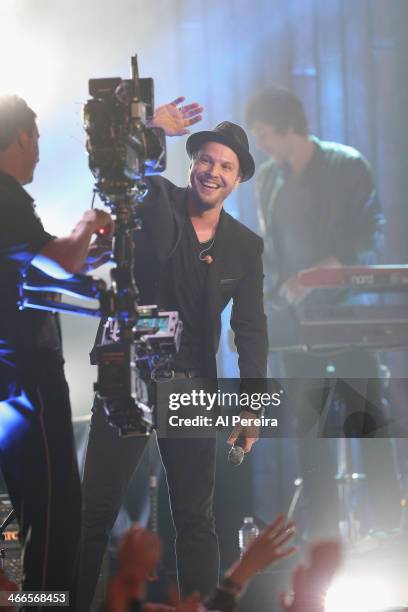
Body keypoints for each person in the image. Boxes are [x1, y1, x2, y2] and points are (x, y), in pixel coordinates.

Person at [78, 99, 268, 609]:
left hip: (193, 385)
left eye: (226, 166)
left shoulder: (245, 247)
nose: (213, 171)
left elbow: (250, 330)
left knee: (196, 518)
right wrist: (146, 129)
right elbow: (111, 172)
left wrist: (252, 405)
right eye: (207, 159)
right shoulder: (154, 196)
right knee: (94, 512)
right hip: (132, 376)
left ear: (237, 180)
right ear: (192, 163)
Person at [245, 86, 399, 539]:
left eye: (264, 133)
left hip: (351, 321)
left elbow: (372, 234)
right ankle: (323, 542)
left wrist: (333, 269)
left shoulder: (346, 165)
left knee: (369, 428)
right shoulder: (271, 180)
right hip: (297, 326)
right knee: (310, 437)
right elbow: (270, 252)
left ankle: (390, 534)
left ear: (288, 126)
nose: (262, 144)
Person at [0, 94, 113, 605]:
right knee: (54, 517)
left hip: (12, 388)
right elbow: (62, 260)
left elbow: (48, 264)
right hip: (26, 386)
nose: (40, 153)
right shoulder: (4, 195)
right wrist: (89, 223)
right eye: (37, 140)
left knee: (30, 520)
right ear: (22, 137)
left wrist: (87, 246)